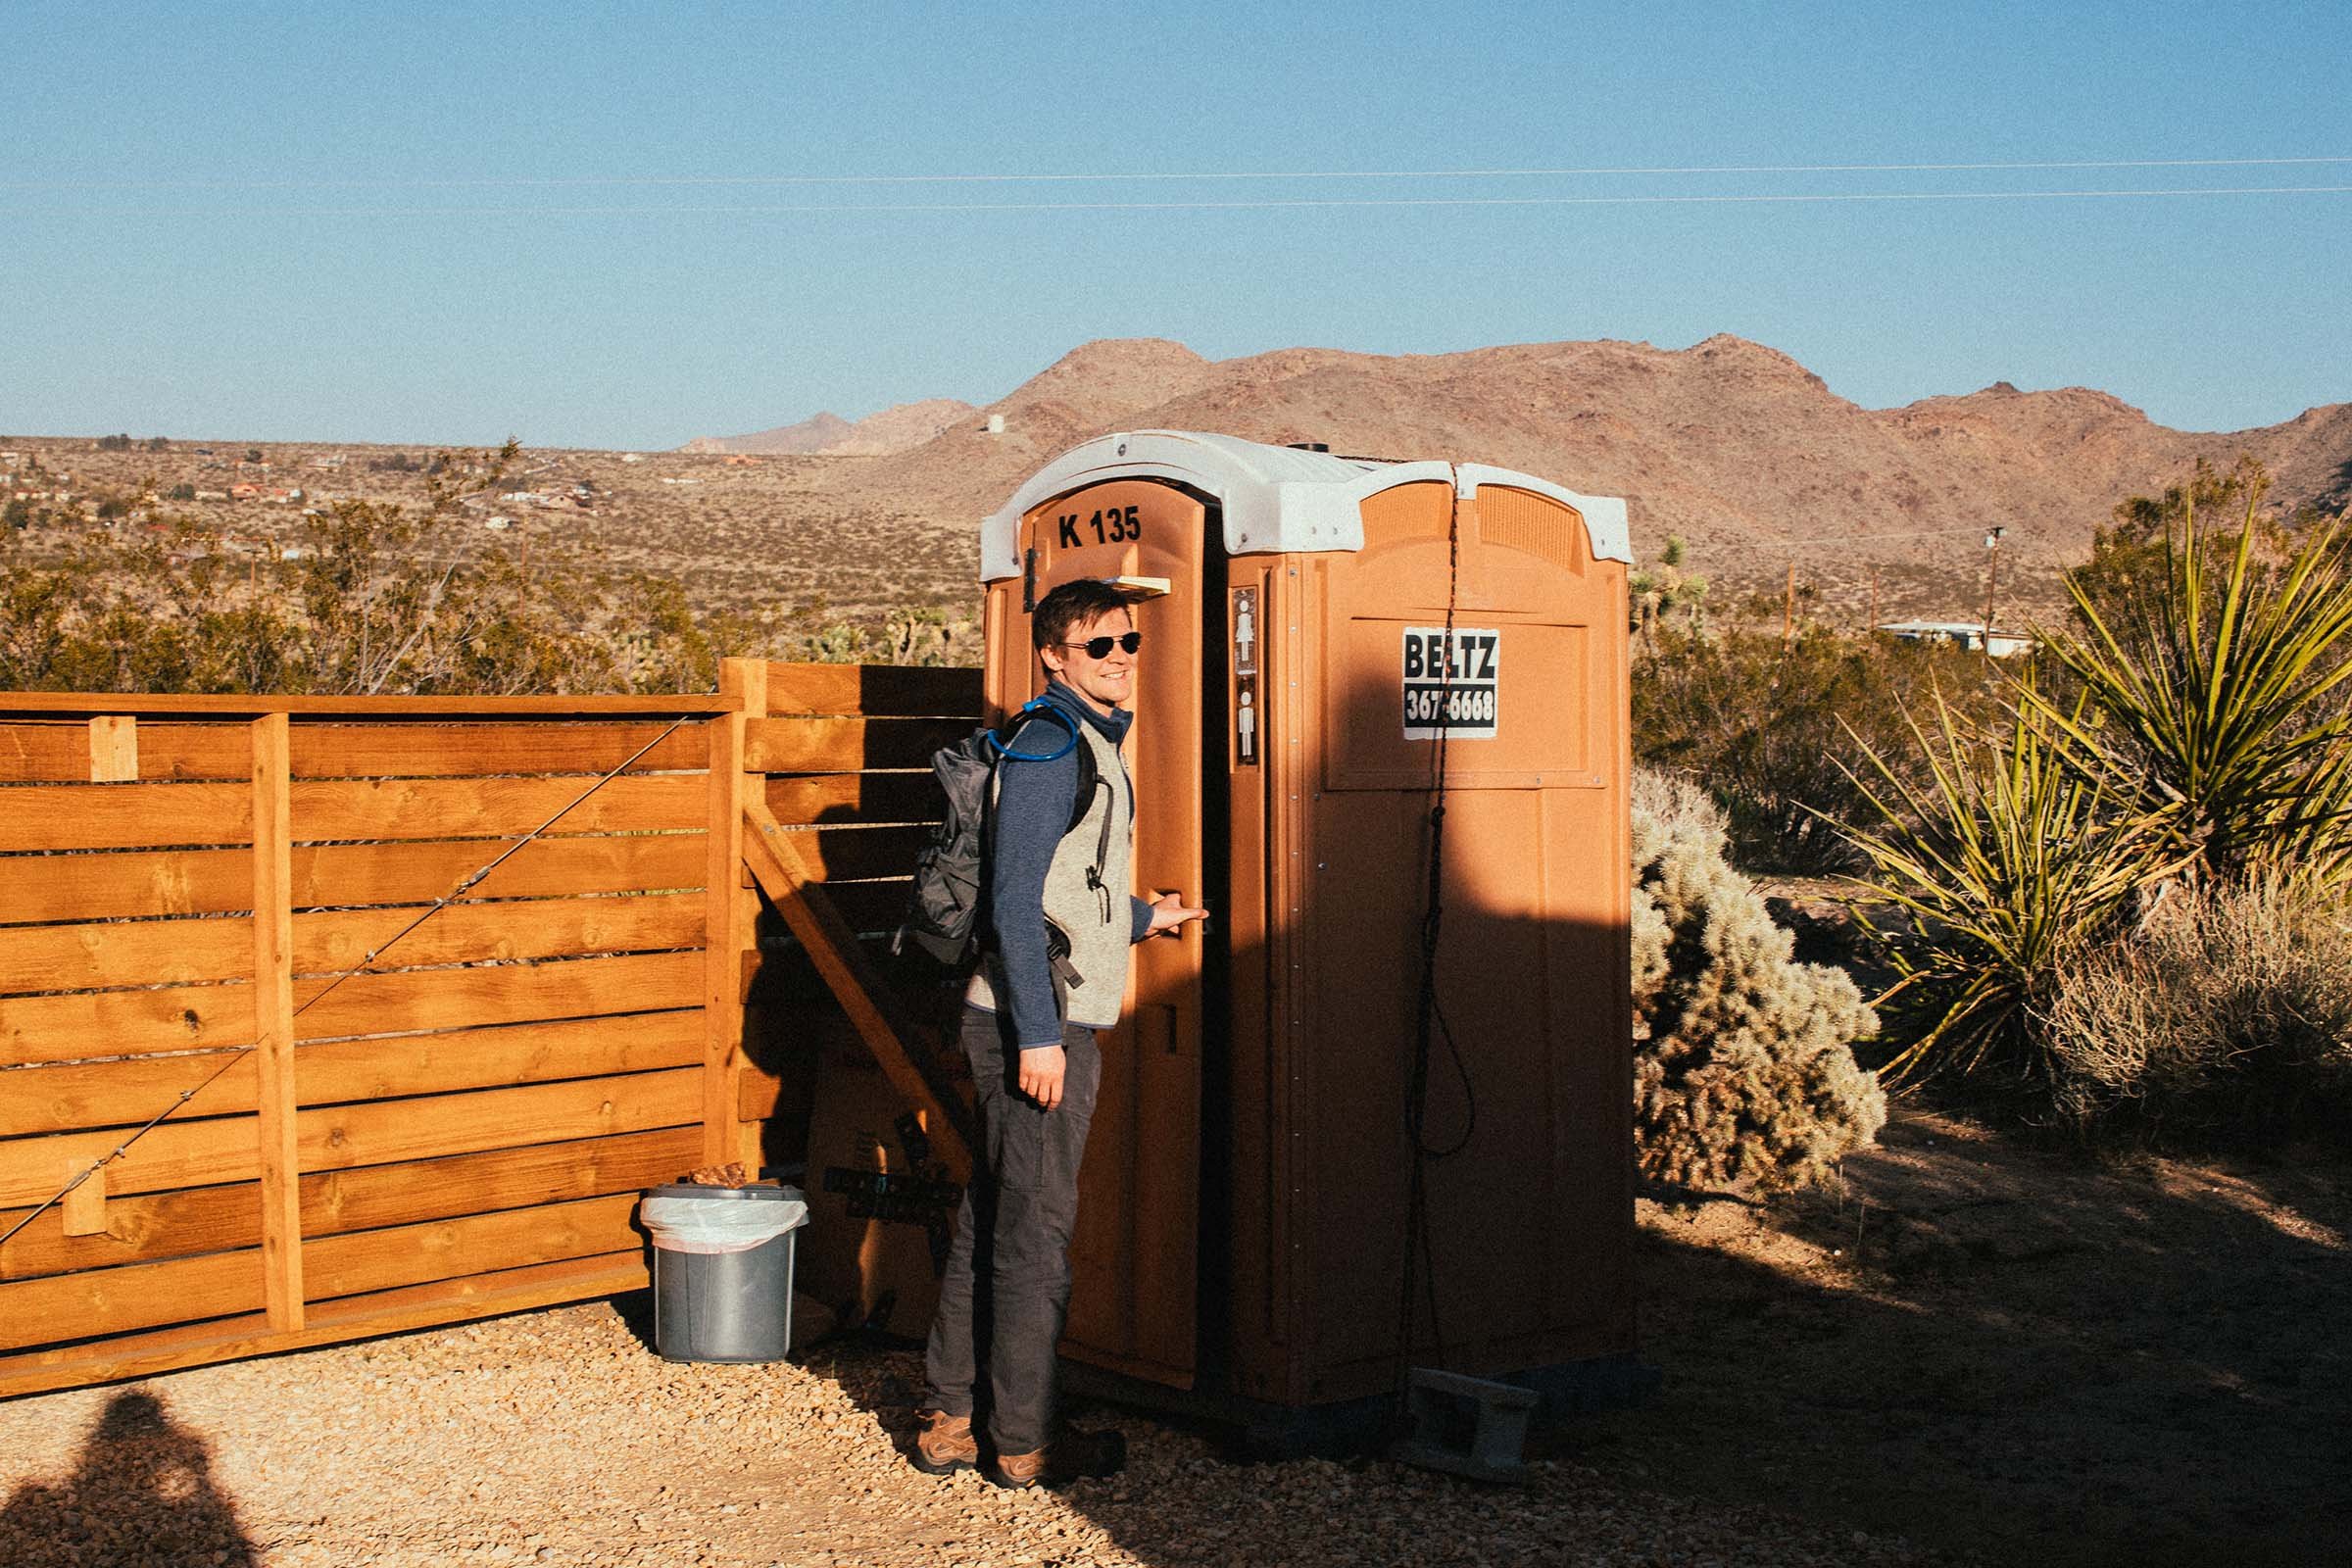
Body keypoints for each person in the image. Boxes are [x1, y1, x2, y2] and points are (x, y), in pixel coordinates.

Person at [912, 577, 1204, 1489]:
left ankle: (950, 1418)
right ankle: (1026, 1444)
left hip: (1022, 1014)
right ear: (1052, 656)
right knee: (1036, 1231)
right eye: (1099, 648)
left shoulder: (1076, 740)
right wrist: (1040, 1036)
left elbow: (1061, 893)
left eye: (1129, 645)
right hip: (1033, 1026)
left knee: (992, 1212)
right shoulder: (1048, 748)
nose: (1120, 661)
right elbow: (1009, 901)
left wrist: (1143, 917)